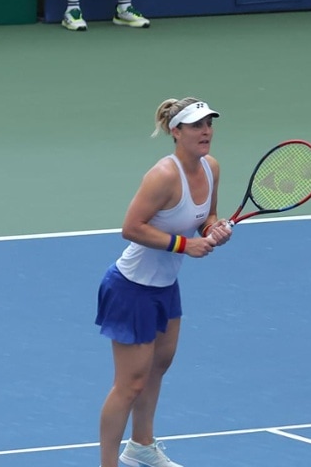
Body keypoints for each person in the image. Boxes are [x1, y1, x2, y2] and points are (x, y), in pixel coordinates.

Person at [95, 97, 233, 467]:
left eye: (209, 124)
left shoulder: (211, 169)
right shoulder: (163, 175)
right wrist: (185, 244)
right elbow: (131, 228)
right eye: (196, 126)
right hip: (130, 288)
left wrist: (212, 229)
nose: (206, 131)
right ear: (176, 132)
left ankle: (141, 447)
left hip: (164, 287)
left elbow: (207, 215)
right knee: (130, 384)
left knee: (159, 366)